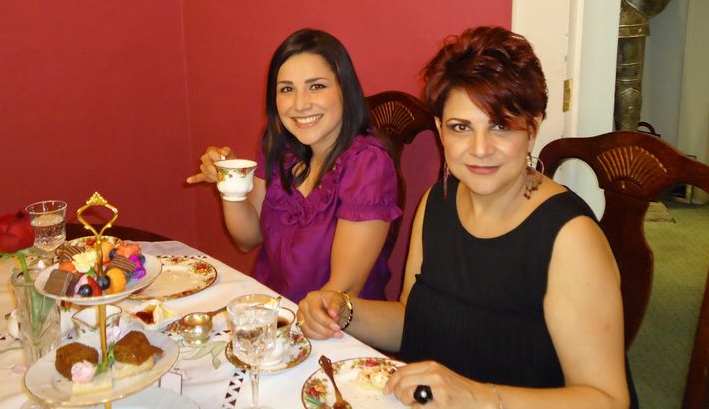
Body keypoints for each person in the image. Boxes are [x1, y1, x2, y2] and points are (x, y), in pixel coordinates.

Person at [298, 26, 636, 408]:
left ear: (532, 129)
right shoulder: (437, 202)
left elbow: (608, 400)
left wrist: (477, 396)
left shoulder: (570, 238)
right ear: (441, 130)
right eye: (461, 127)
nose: (480, 149)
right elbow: (412, 319)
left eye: (500, 126)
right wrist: (343, 310)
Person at [187, 28, 401, 303]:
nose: (300, 105)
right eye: (287, 89)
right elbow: (248, 238)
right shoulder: (280, 146)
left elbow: (340, 293)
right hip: (272, 309)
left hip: (331, 323)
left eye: (316, 86)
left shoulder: (369, 165)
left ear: (345, 89)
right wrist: (230, 181)